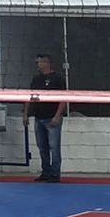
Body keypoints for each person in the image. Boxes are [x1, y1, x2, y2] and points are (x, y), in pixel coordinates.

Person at [24, 51, 65, 182]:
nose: (37, 64)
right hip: (39, 118)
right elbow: (29, 96)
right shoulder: (36, 79)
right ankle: (46, 172)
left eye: (39, 62)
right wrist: (25, 114)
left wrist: (57, 116)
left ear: (46, 62)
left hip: (52, 117)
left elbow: (64, 98)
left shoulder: (58, 78)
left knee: (54, 147)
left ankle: (55, 174)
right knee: (42, 147)